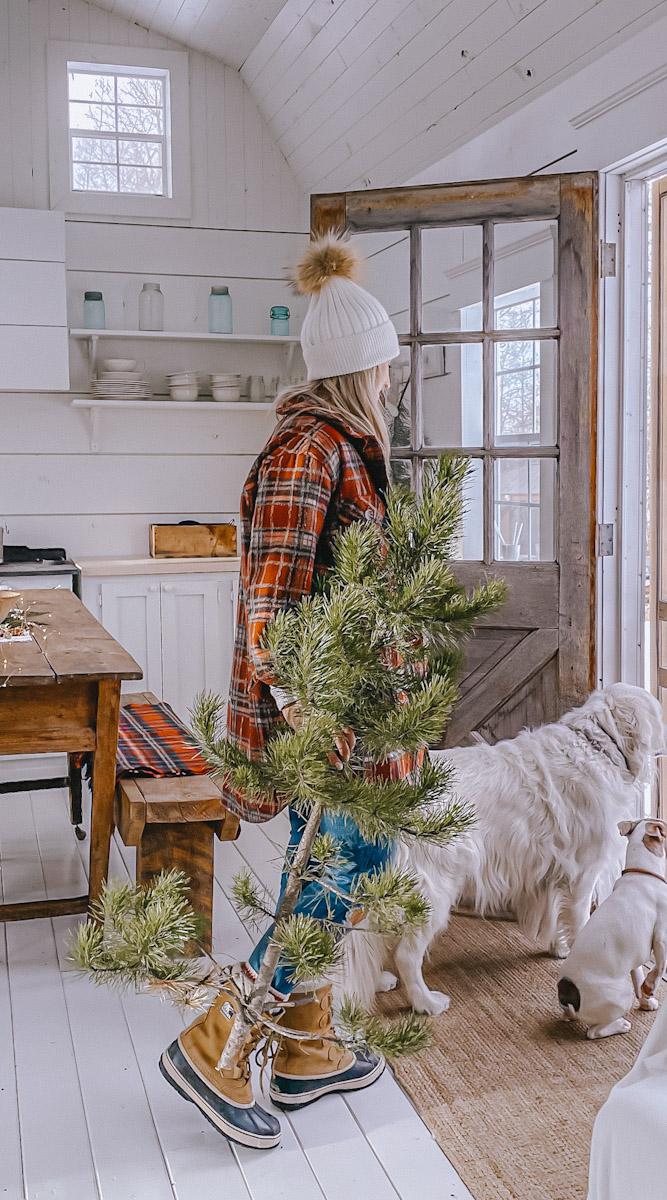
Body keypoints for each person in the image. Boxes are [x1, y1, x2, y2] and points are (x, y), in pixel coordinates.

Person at [158, 235, 400, 1150]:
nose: (390, 381)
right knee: (348, 868)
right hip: (332, 724)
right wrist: (317, 721)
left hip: (355, 714)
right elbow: (275, 611)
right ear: (357, 370)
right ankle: (215, 1043)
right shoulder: (308, 453)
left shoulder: (337, 447)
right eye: (382, 367)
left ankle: (304, 1049)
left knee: (329, 867)